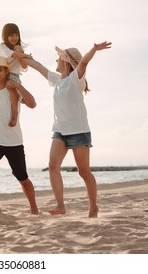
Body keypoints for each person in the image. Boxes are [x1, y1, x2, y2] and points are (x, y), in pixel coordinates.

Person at [24, 42, 112, 218]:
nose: (56, 59)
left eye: (60, 57)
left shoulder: (76, 79)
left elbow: (84, 63)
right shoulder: (57, 80)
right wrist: (22, 57)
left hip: (78, 131)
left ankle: (93, 206)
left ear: (66, 61)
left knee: (84, 172)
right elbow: (39, 67)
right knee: (53, 165)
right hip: (60, 131)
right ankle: (60, 205)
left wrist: (93, 50)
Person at [0, 55, 39, 216]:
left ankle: (34, 209)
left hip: (14, 141)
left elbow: (32, 104)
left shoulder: (13, 89)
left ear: (5, 71)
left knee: (22, 178)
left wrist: (18, 85)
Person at [0, 23, 33, 131]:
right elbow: (11, 55)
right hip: (1, 73)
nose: (14, 38)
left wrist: (21, 52)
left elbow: (24, 66)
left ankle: (14, 113)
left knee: (11, 89)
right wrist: (25, 55)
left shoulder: (19, 49)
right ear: (5, 36)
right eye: (11, 35)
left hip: (13, 75)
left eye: (16, 35)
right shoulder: (3, 46)